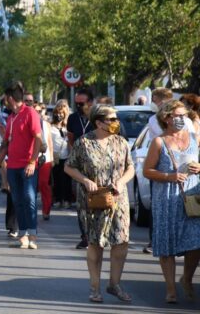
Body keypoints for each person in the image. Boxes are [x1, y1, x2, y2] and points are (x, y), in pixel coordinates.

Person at [65, 104, 135, 303]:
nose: (115, 123)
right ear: (98, 122)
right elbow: (69, 167)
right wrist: (85, 180)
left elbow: (131, 168)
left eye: (116, 119)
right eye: (111, 119)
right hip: (94, 200)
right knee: (96, 243)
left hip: (118, 199)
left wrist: (121, 182)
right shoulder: (84, 143)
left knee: (121, 240)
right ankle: (94, 287)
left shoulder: (121, 142)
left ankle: (114, 284)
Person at [143, 99, 200, 303]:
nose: (183, 119)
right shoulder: (159, 141)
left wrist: (199, 168)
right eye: (178, 115)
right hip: (167, 197)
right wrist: (169, 176)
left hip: (192, 197)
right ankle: (170, 289)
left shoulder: (193, 137)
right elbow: (147, 171)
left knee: (196, 242)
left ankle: (187, 278)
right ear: (166, 118)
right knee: (167, 245)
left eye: (185, 115)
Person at [0, 81, 43, 250]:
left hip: (27, 165)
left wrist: (32, 161)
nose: (4, 101)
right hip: (12, 167)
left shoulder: (30, 113)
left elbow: (38, 138)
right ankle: (23, 234)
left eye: (5, 98)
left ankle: (33, 234)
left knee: (29, 198)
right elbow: (5, 144)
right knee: (18, 200)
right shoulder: (11, 118)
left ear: (11, 98)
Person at [67, 86, 95, 249]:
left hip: (96, 164)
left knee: (96, 200)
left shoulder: (97, 117)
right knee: (81, 202)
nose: (78, 106)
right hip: (79, 165)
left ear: (90, 102)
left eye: (82, 103)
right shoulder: (72, 118)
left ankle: (96, 233)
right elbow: (70, 138)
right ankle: (84, 235)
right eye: (76, 103)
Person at [32, 100, 54, 221]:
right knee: (33, 185)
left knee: (43, 183)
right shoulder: (30, 123)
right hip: (33, 158)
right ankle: (32, 211)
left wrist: (52, 158)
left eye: (40, 111)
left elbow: (49, 141)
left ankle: (46, 210)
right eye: (36, 111)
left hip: (46, 159)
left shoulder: (46, 124)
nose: (38, 113)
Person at [50, 101, 74, 209]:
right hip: (55, 157)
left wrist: (71, 155)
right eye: (57, 113)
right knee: (56, 178)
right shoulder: (50, 126)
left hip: (66, 156)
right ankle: (58, 199)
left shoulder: (68, 127)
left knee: (66, 179)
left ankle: (67, 199)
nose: (58, 115)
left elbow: (70, 141)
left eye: (61, 113)